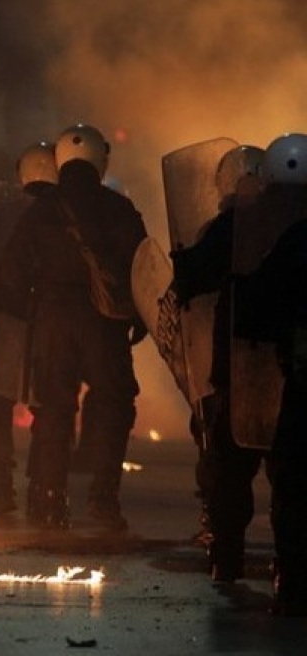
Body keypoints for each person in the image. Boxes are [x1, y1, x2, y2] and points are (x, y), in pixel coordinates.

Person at [0, 124, 147, 531]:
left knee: (54, 410)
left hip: (52, 322)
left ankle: (49, 501)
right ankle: (103, 501)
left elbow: (10, 272)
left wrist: (32, 312)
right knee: (113, 406)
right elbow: (142, 272)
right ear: (101, 159)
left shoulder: (40, 211)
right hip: (104, 324)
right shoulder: (119, 209)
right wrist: (137, 320)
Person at [169, 144, 266, 582]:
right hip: (291, 365)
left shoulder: (229, 226)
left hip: (241, 366)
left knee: (228, 465)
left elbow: (191, 280)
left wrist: (181, 259)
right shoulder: (292, 225)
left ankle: (227, 559)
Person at [231, 132, 307, 615]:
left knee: (294, 476)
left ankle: (296, 579)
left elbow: (252, 308)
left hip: (301, 378)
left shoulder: (280, 236)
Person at [0, 141, 57, 525]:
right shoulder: (66, 212)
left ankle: (2, 492)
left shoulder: (2, 213)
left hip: (4, 326)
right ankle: (43, 488)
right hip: (51, 327)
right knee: (51, 410)